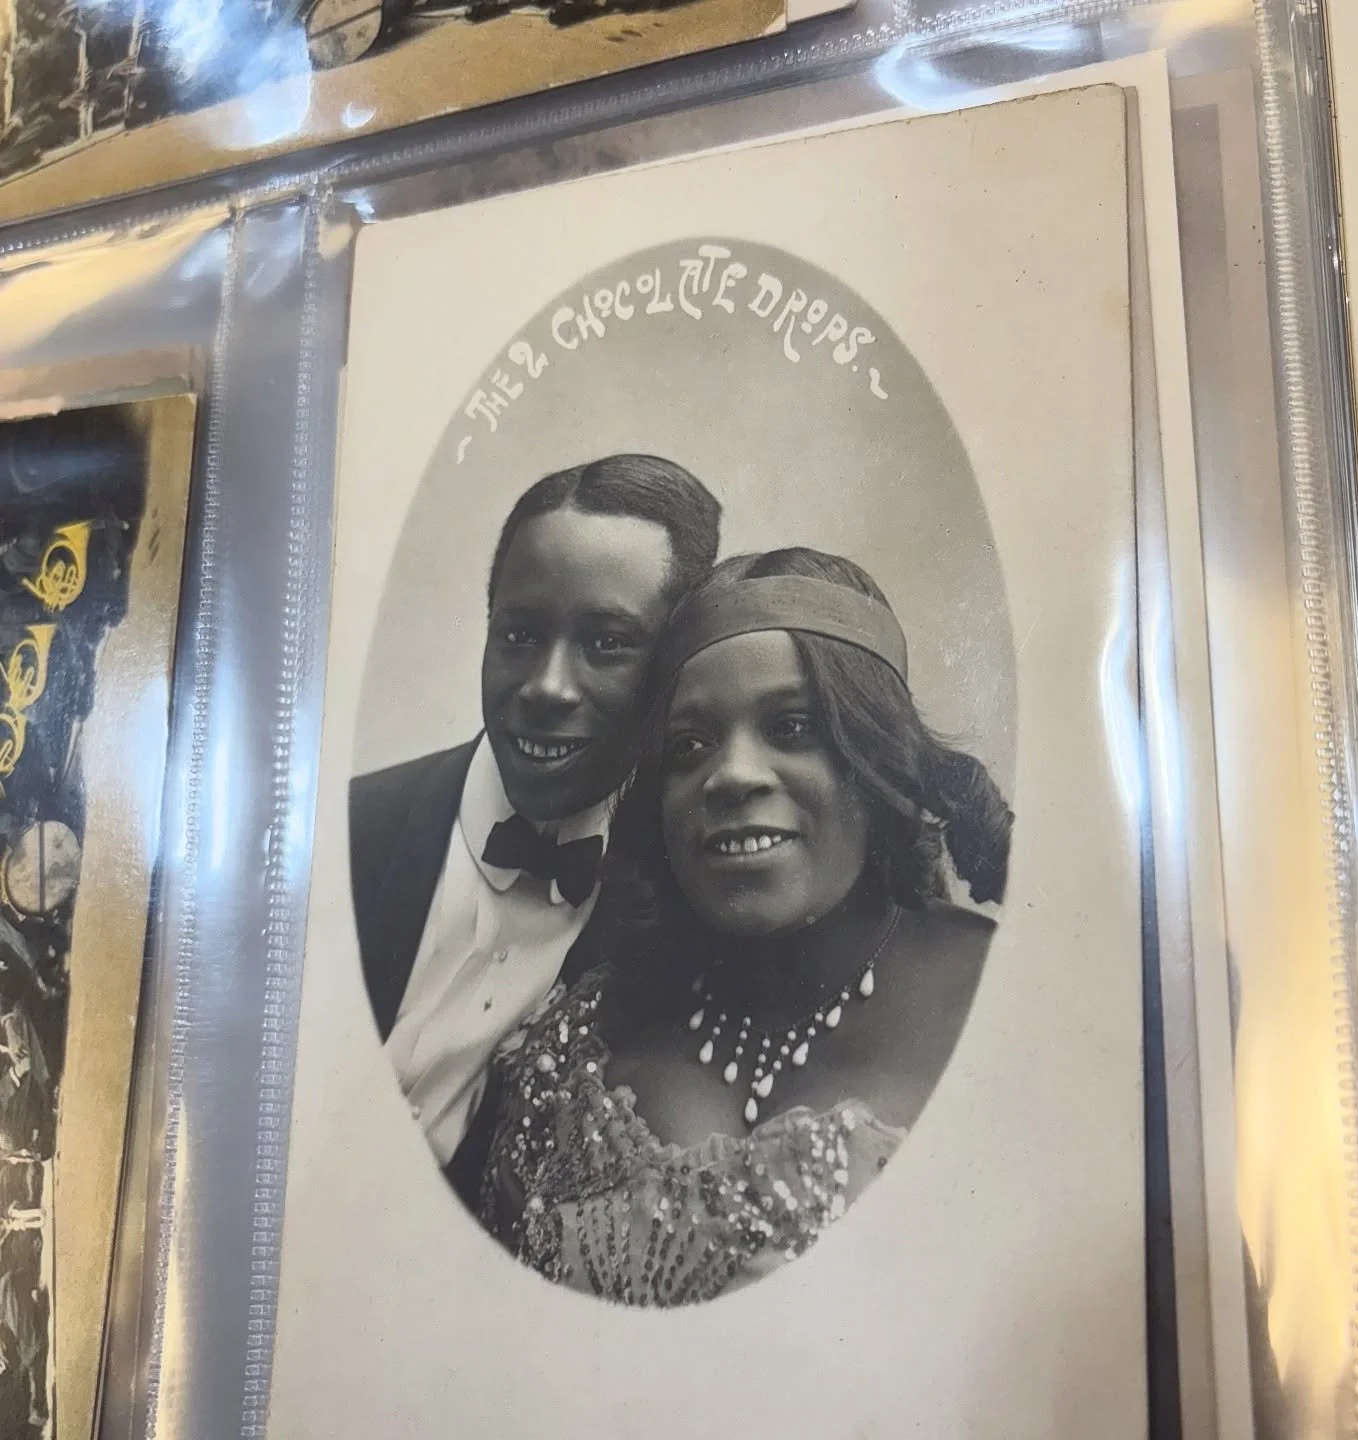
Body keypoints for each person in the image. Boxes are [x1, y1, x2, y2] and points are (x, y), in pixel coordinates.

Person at [473, 547, 1013, 1304]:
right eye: (688, 747)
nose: (731, 775)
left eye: (793, 728)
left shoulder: (1012, 1007)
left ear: (876, 760)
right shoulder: (571, 1050)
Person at [349, 454, 721, 1194]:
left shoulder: (674, 915)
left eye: (607, 644)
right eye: (519, 635)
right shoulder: (349, 831)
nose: (548, 687)